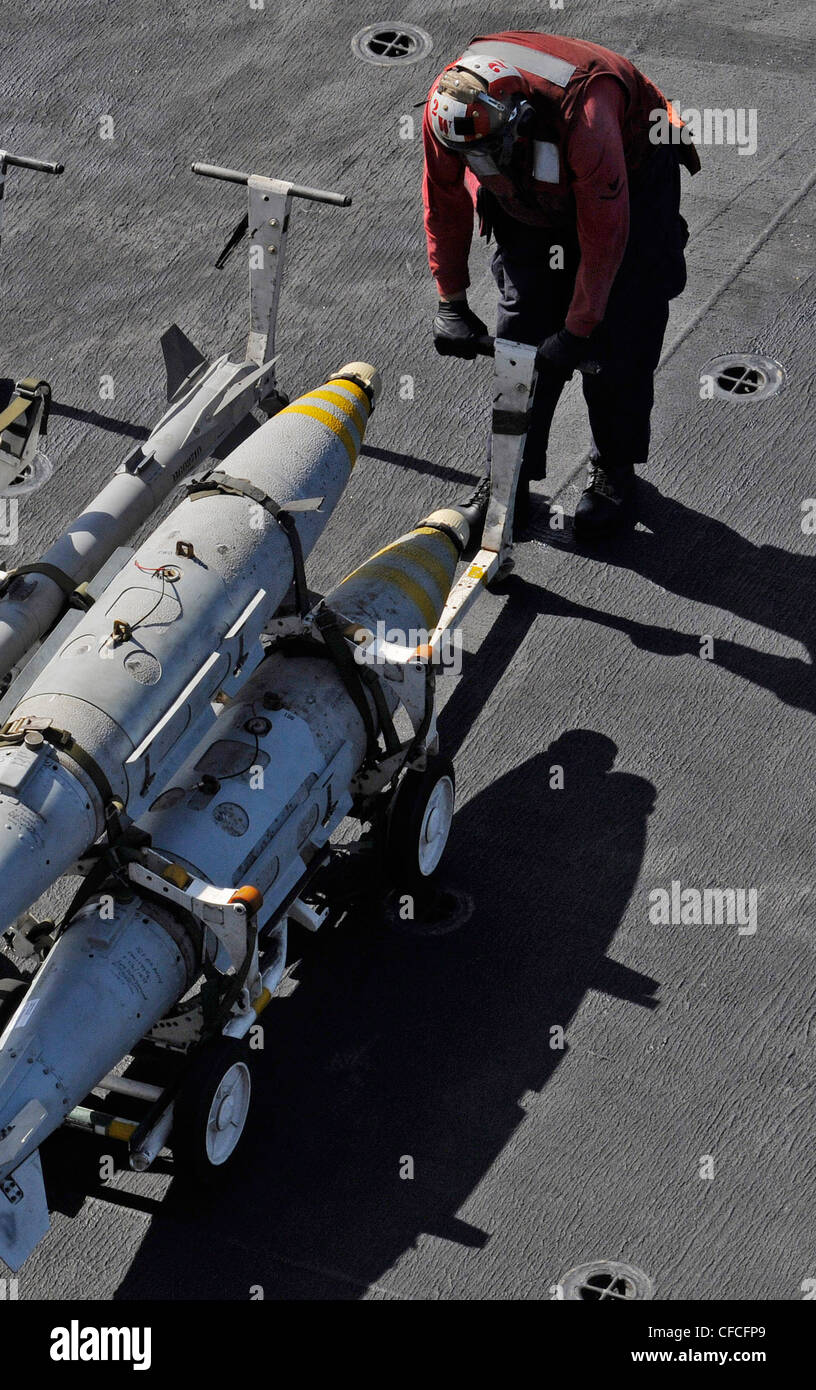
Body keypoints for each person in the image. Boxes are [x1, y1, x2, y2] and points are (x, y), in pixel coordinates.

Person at [423, 30, 699, 539]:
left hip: (629, 182)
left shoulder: (589, 118)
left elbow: (604, 239)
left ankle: (614, 471)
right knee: (521, 338)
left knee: (621, 331)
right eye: (473, 160)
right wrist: (451, 300)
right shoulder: (452, 114)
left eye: (489, 155)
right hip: (529, 196)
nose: (480, 167)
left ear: (520, 120)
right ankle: (508, 477)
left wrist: (576, 332)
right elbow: (445, 199)